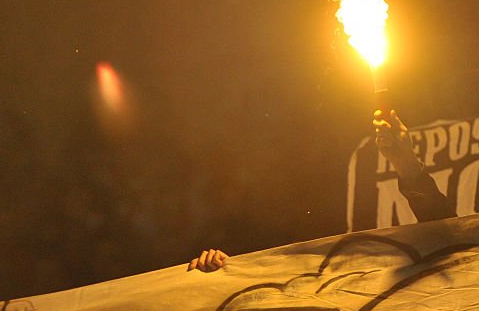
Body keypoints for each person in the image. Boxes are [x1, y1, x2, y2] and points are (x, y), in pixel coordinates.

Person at [189, 108, 453, 272]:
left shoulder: (334, 207)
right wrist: (219, 273)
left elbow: (452, 241)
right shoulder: (252, 228)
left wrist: (406, 165)